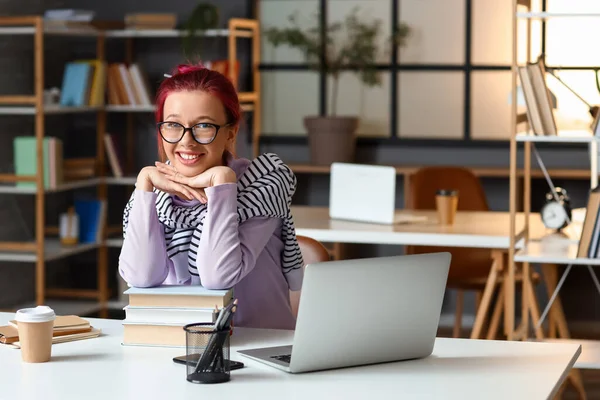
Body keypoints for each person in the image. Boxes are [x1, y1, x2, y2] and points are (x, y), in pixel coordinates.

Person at [118, 64, 304, 330]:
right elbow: (140, 277)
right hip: (180, 347)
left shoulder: (263, 183)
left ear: (231, 131)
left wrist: (222, 182)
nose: (186, 141)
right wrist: (144, 183)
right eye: (173, 125)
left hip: (262, 347)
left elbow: (219, 276)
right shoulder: (152, 191)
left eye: (204, 126)